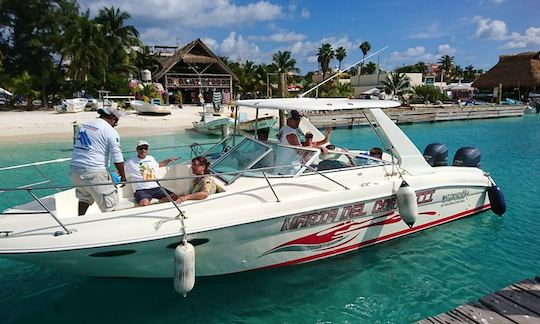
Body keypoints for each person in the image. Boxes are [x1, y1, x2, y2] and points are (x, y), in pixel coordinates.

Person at [70, 107, 126, 215]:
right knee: (110, 205)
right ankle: (111, 227)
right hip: (94, 172)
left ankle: (79, 219)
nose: (115, 125)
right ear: (112, 118)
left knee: (84, 197)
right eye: (116, 122)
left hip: (75, 170)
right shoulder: (110, 131)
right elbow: (117, 157)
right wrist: (123, 176)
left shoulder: (84, 125)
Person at [125, 140, 180, 206]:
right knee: (144, 203)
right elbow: (120, 172)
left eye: (145, 148)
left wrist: (168, 160)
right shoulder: (130, 162)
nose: (143, 150)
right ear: (137, 149)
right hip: (141, 189)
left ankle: (159, 203)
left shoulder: (151, 158)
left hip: (155, 187)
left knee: (174, 197)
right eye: (141, 148)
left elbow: (158, 165)